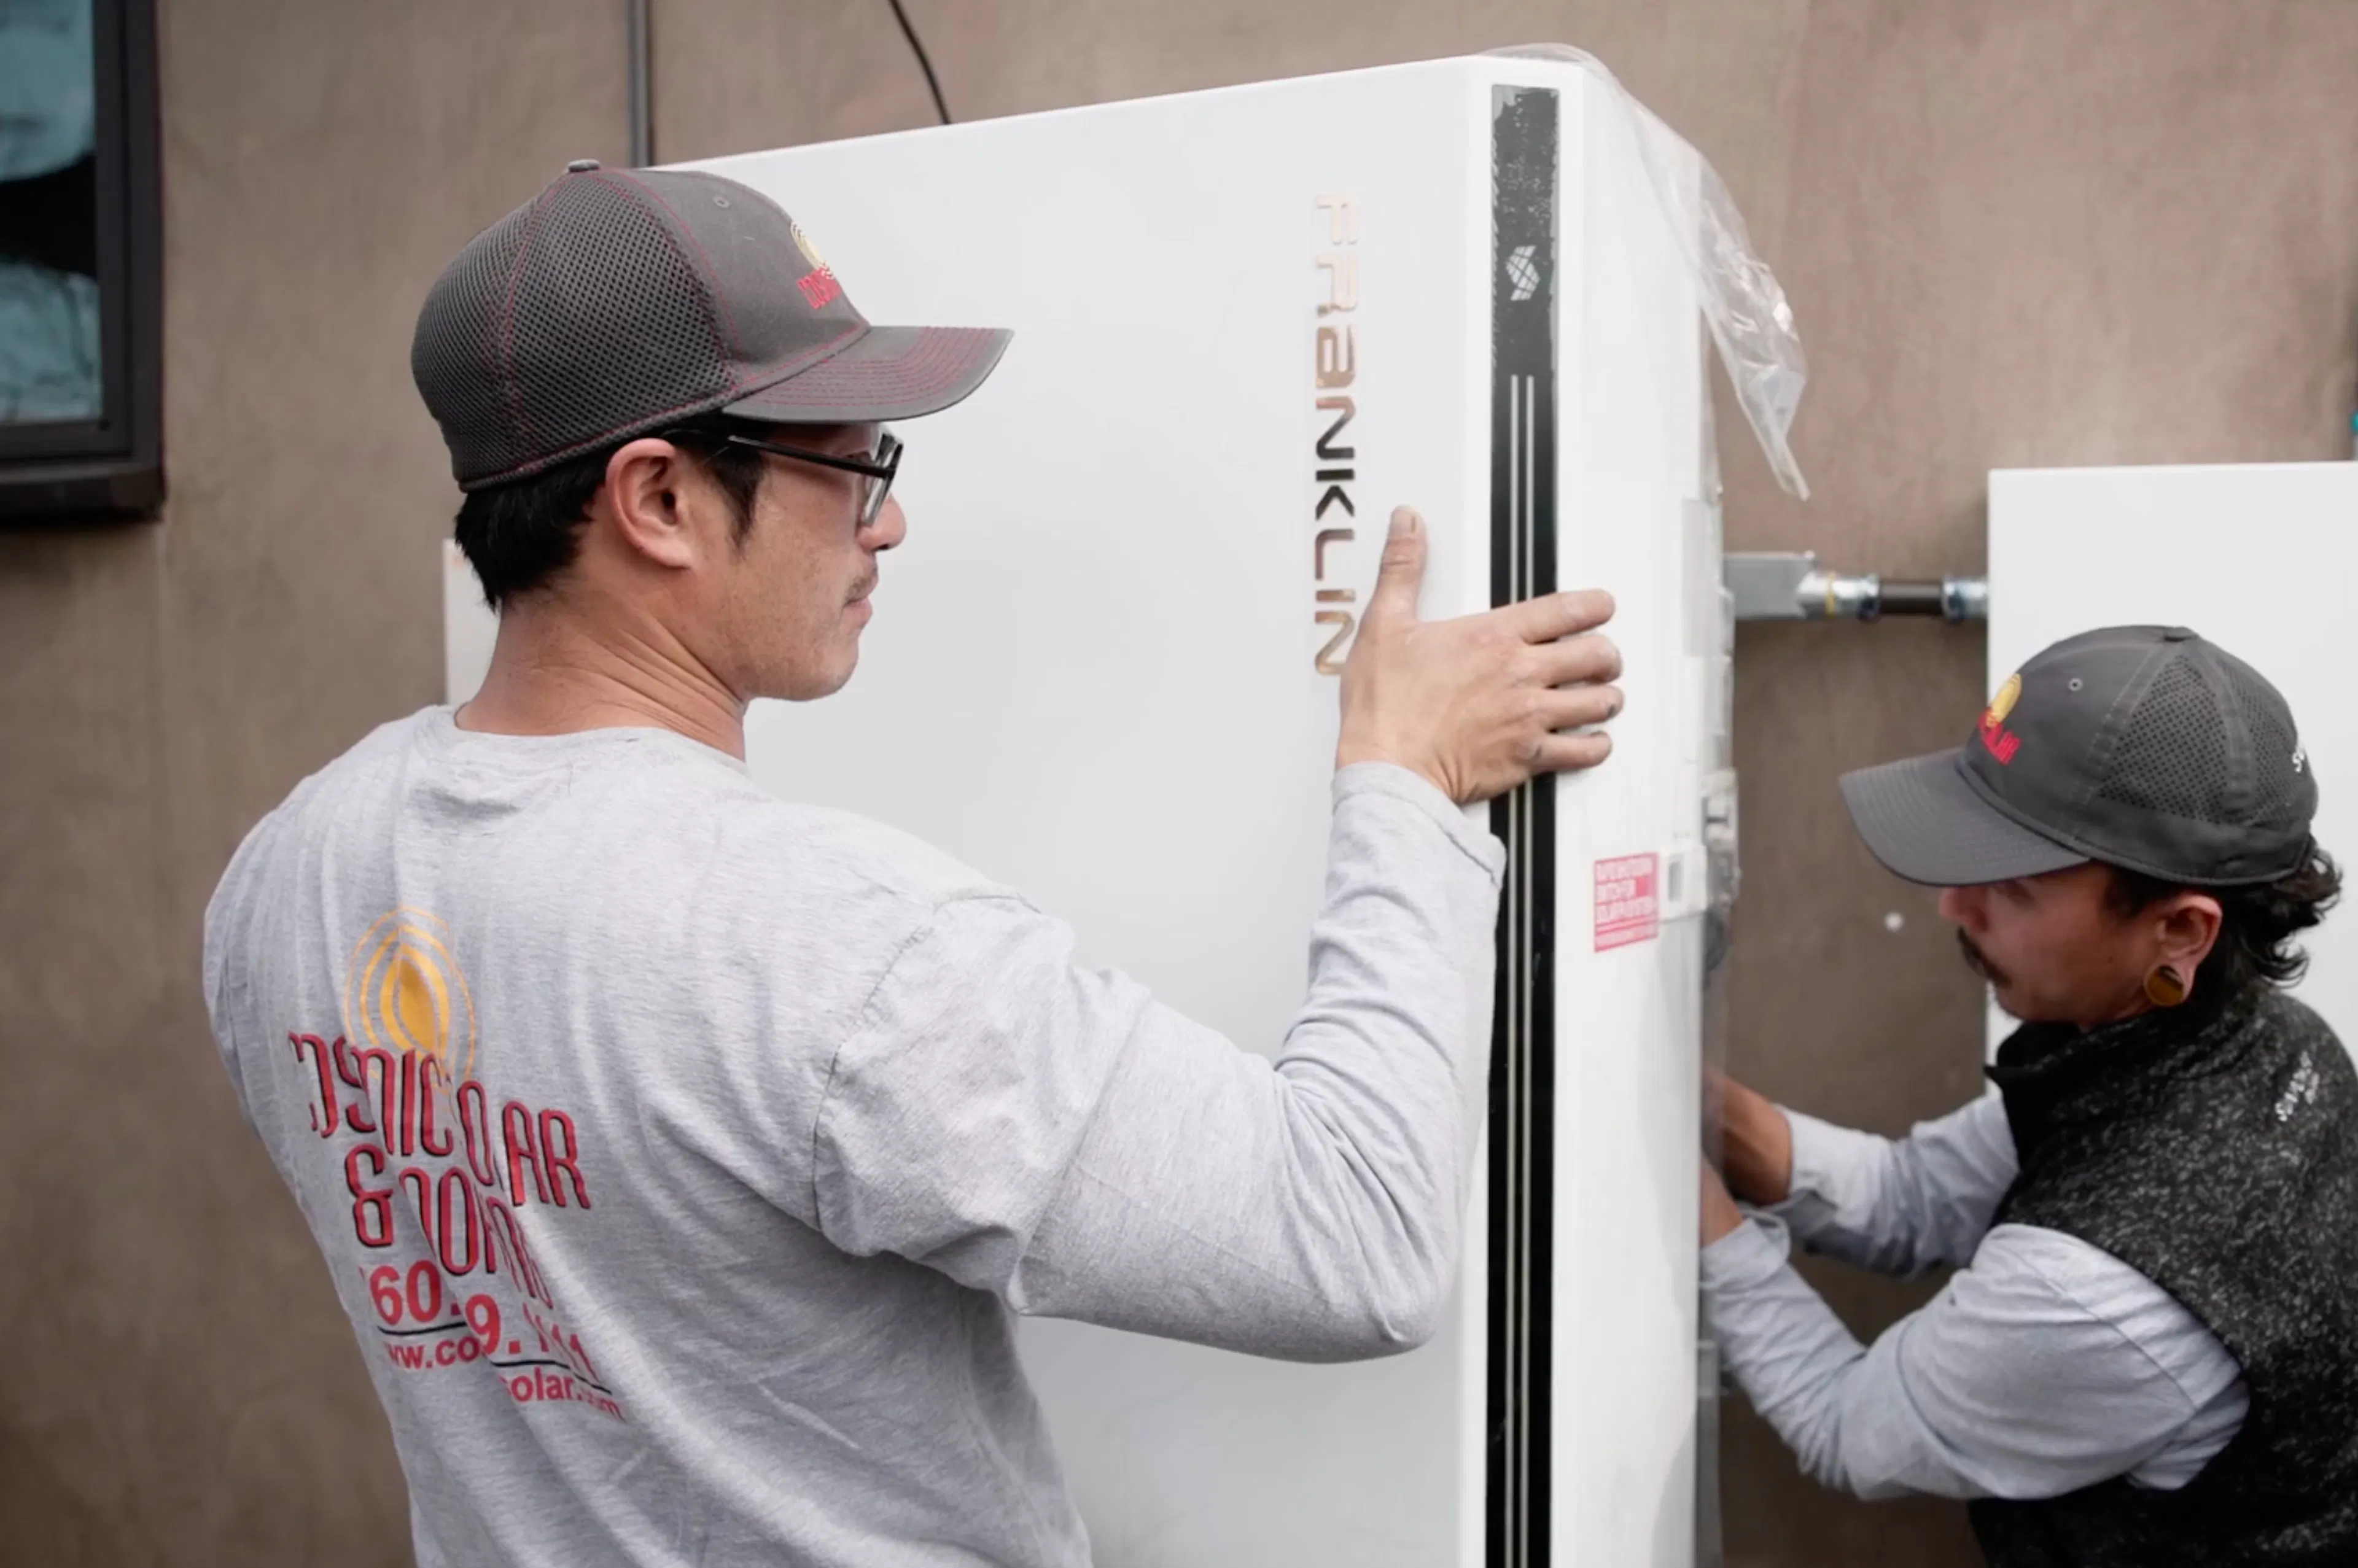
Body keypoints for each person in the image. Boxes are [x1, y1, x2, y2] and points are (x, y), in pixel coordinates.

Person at [201, 161, 1625, 1567]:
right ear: (660, 501)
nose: (887, 519)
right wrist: (1403, 775)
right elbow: (1353, 1236)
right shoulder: (827, 945)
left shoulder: (287, 874)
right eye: (851, 461)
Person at [1701, 624, 2358, 1566]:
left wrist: (1671, 1193)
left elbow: (1846, 1421)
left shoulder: (2098, 1291)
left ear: (2178, 926)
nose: (1952, 906)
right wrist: (1692, 1105)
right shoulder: (2253, 1038)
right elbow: (1912, 1198)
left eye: (2006, 885)